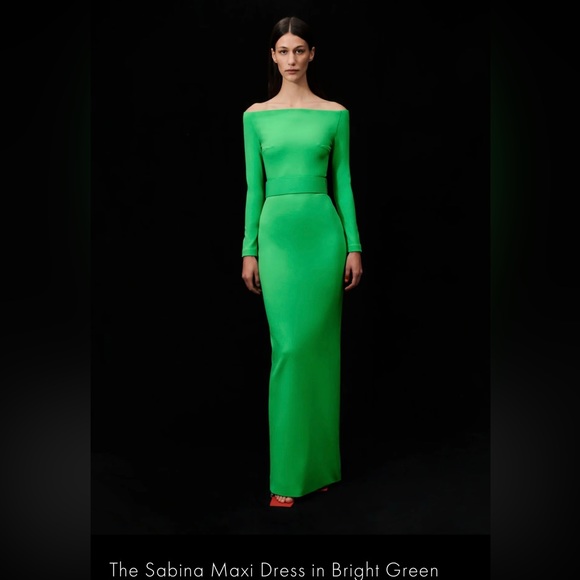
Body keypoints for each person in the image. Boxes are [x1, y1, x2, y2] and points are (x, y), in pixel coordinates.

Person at [240, 15, 363, 508]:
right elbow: (253, 188)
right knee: (289, 349)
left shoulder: (335, 114)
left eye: (299, 50)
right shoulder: (255, 116)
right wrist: (248, 249)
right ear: (272, 57)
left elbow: (343, 183)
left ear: (312, 54)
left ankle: (320, 468)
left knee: (320, 352)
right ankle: (288, 476)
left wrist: (354, 245)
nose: (291, 59)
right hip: (277, 239)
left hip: (323, 236)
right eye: (283, 51)